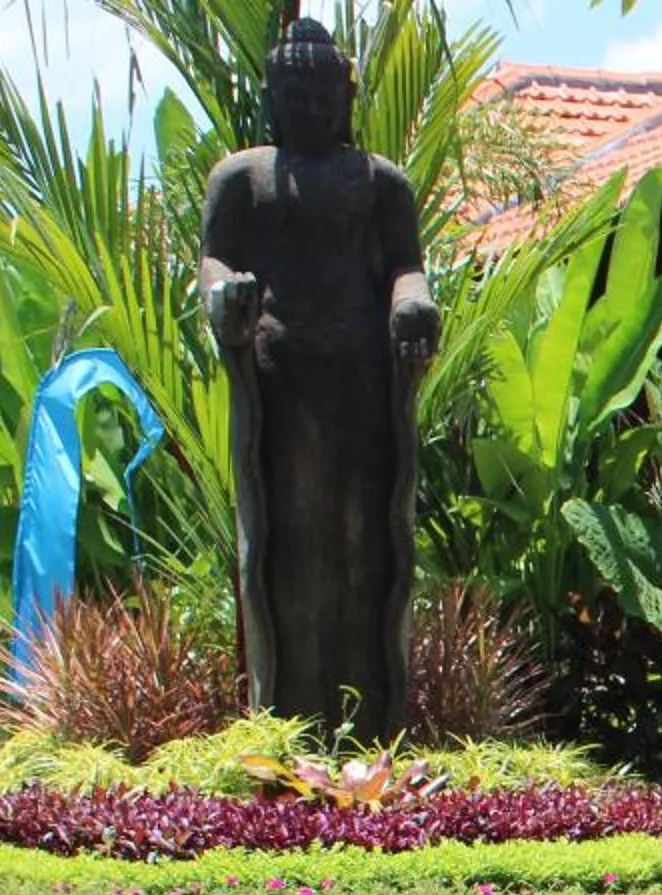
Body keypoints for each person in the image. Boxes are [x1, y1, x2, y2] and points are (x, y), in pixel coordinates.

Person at [199, 17, 437, 735]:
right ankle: (289, 728)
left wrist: (413, 303)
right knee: (293, 550)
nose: (311, 108)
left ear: (346, 95)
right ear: (274, 95)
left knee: (367, 548)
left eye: (323, 93)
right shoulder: (242, 177)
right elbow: (212, 263)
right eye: (296, 94)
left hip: (362, 386)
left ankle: (372, 727)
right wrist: (225, 298)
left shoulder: (379, 183)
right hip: (283, 386)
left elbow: (405, 264)